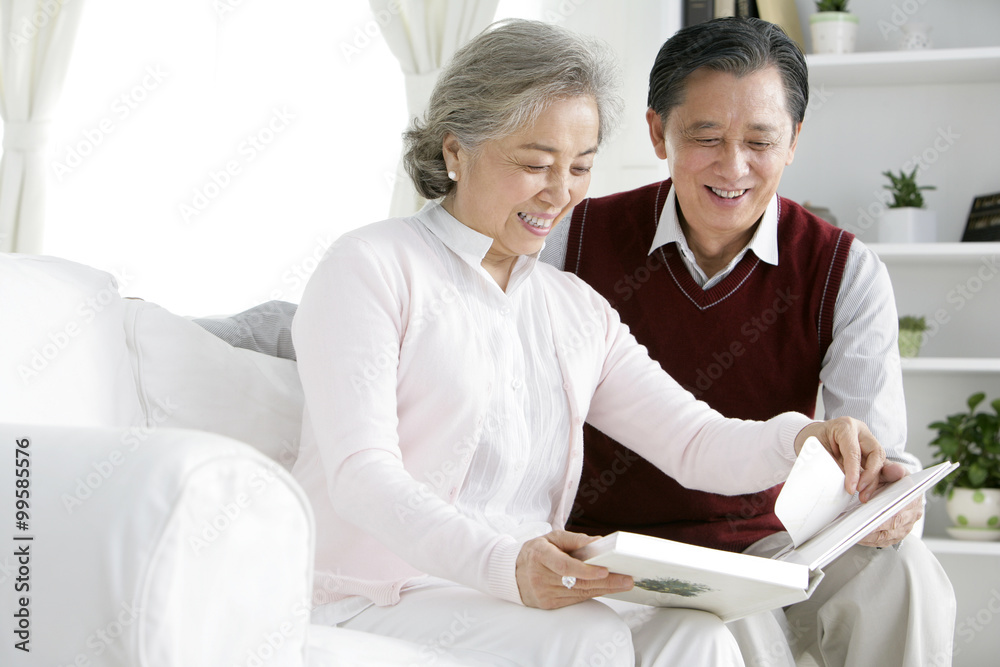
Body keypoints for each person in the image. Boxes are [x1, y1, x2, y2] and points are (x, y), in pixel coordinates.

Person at [284, 18, 903, 667]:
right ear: (455, 150)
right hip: (380, 592)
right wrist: (503, 562)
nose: (561, 192)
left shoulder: (572, 308)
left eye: (580, 166)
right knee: (587, 635)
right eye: (534, 163)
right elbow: (361, 473)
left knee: (698, 634)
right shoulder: (371, 266)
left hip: (527, 592)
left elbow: (695, 444)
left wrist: (801, 440)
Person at [537, 17, 955, 667]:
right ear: (657, 133)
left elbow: (873, 455)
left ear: (793, 141)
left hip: (773, 545)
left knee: (906, 573)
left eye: (760, 140)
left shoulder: (844, 269)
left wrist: (889, 501)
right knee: (736, 628)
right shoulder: (572, 240)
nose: (733, 168)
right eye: (706, 137)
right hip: (619, 542)